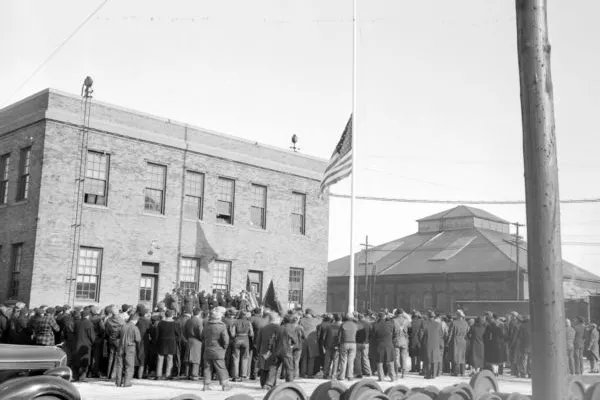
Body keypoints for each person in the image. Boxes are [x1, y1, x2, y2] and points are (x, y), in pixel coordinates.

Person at [201, 307, 232, 391]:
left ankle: (206, 385)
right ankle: (225, 385)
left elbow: (202, 336)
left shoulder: (206, 325)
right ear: (219, 316)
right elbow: (226, 340)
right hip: (218, 350)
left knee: (207, 368)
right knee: (221, 367)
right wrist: (224, 347)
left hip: (207, 349)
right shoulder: (222, 326)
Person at [115, 313, 141, 387]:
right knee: (129, 365)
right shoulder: (135, 328)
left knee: (119, 365)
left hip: (121, 347)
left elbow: (116, 336)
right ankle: (127, 382)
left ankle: (118, 382)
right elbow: (138, 339)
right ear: (135, 320)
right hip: (130, 347)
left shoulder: (122, 326)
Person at [256, 313, 281, 388]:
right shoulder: (279, 328)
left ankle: (263, 383)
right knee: (273, 367)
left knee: (264, 367)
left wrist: (258, 350)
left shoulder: (263, 328)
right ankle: (270, 384)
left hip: (263, 350)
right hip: (274, 351)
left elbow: (258, 341)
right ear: (276, 319)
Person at [155, 310, 181, 380]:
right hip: (171, 342)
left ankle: (158, 374)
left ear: (165, 315)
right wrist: (177, 341)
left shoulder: (160, 323)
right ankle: (168, 374)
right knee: (170, 358)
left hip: (162, 341)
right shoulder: (175, 324)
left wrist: (157, 342)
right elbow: (178, 335)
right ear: (172, 315)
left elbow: (157, 335)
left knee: (160, 358)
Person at [72, 309, 96, 381]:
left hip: (76, 344)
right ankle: (82, 377)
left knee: (77, 361)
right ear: (88, 316)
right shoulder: (89, 323)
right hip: (85, 345)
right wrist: (93, 342)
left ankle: (75, 376)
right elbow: (91, 336)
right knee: (85, 361)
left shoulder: (77, 322)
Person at [372, 312, 396, 382]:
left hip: (379, 344)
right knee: (390, 361)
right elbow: (394, 334)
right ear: (385, 316)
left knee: (379, 362)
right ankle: (393, 377)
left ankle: (381, 378)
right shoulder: (390, 324)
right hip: (389, 344)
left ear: (378, 317)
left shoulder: (375, 325)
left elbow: (374, 335)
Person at [231, 311, 254, 382]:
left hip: (237, 340)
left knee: (235, 358)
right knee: (245, 358)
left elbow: (232, 334)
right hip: (245, 340)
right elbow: (251, 333)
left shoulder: (235, 322)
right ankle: (243, 375)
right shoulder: (248, 322)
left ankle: (235, 376)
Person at [184, 307, 203, 381]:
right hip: (197, 341)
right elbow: (200, 333)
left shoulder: (188, 320)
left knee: (188, 357)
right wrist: (202, 339)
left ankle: (187, 373)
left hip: (189, 339)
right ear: (199, 313)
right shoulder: (199, 321)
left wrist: (187, 338)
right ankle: (194, 374)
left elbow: (184, 331)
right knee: (196, 358)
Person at [337, 312, 358, 381]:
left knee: (343, 360)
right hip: (353, 343)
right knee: (351, 361)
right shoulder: (355, 325)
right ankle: (350, 376)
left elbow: (339, 336)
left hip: (344, 343)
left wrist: (338, 343)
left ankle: (342, 376)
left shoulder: (343, 325)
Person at [449, 310, 468, 377]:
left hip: (456, 340)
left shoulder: (454, 323)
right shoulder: (466, 323)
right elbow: (467, 332)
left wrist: (448, 342)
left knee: (456, 356)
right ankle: (462, 372)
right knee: (462, 356)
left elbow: (450, 333)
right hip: (463, 340)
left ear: (457, 315)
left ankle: (456, 372)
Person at [392, 309, 410, 379]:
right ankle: (403, 374)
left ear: (396, 313)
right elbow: (410, 321)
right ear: (402, 314)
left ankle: (396, 373)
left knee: (396, 357)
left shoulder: (394, 321)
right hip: (404, 340)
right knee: (403, 357)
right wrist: (405, 314)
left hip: (396, 340)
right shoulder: (406, 321)